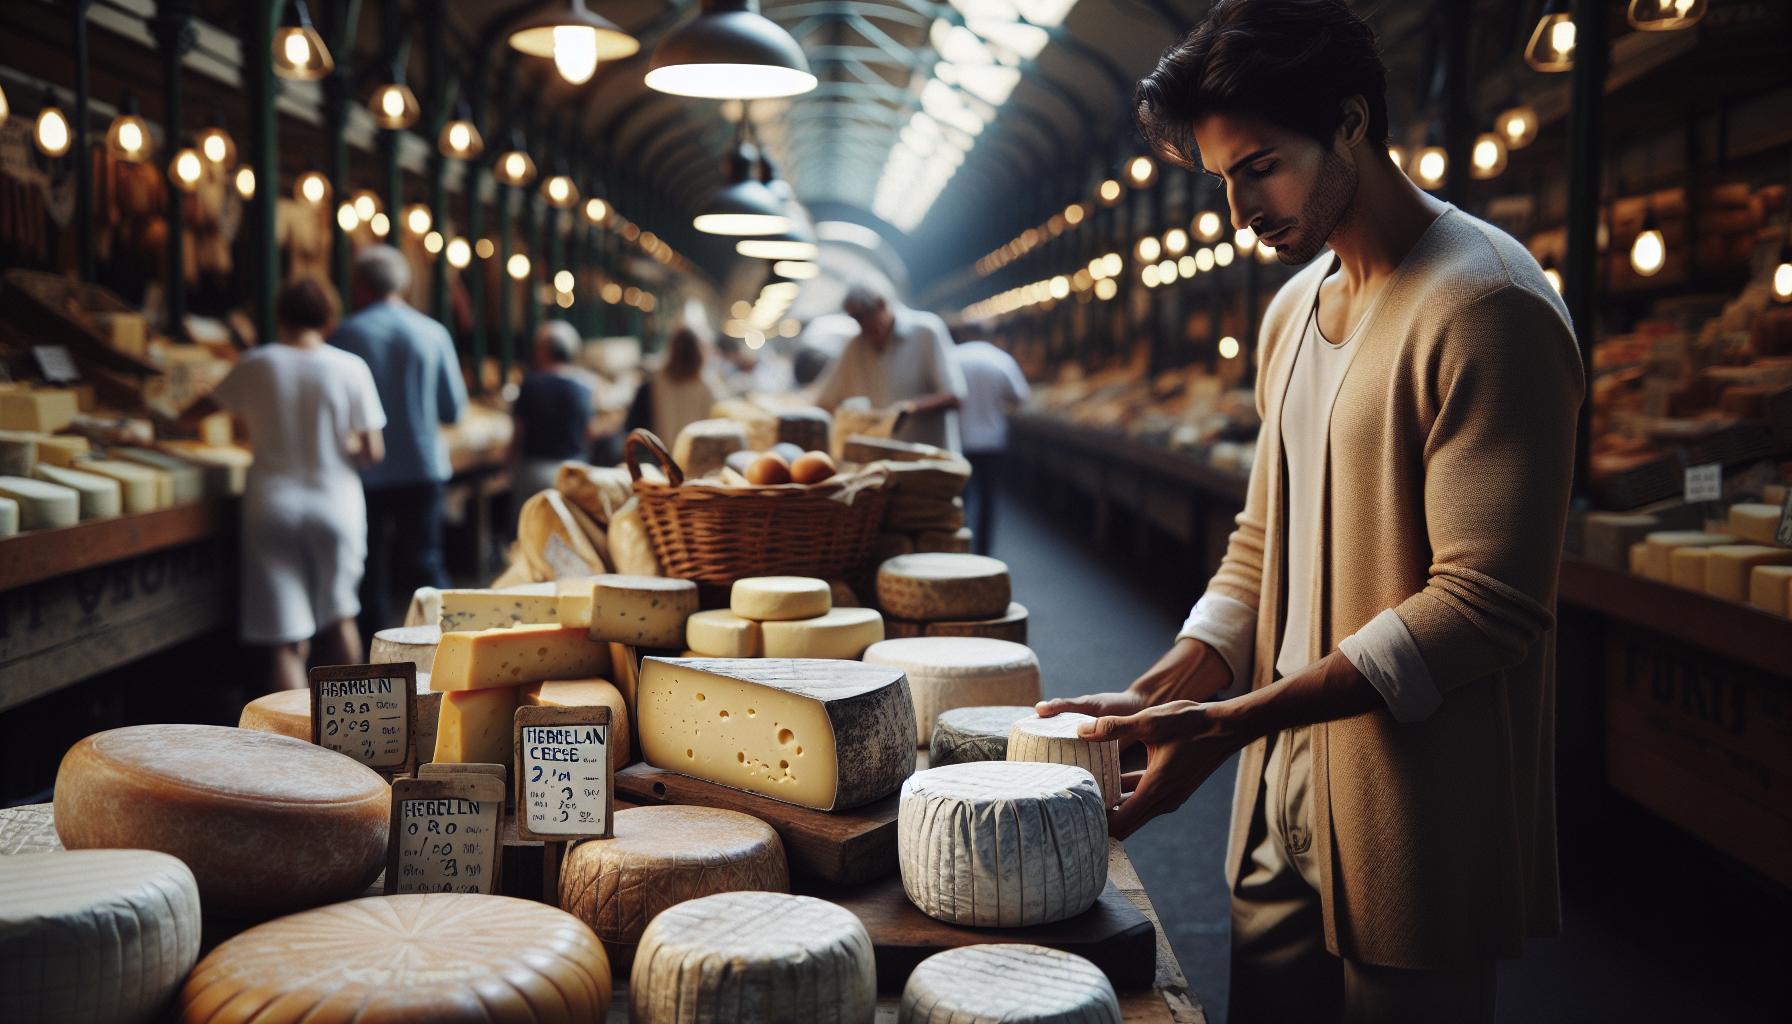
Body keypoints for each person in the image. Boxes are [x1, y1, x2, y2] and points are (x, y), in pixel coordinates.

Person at [1036, 2, 1584, 1020]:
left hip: (1408, 800)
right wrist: (1175, 681)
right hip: (1276, 794)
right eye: (1224, 179)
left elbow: (1485, 604)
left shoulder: (1485, 305)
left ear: (1349, 120)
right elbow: (1260, 546)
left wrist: (1232, 718)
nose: (1243, 207)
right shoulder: (1291, 309)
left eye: (1260, 166)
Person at [190, 277, 386, 691]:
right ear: (329, 317)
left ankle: (295, 742)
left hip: (271, 506)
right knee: (340, 621)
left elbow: (193, 413)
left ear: (280, 316)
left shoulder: (257, 362)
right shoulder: (351, 367)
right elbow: (373, 453)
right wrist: (342, 445)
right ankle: (349, 733)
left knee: (285, 640)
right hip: (336, 503)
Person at [330, 245, 467, 638]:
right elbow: (452, 410)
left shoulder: (345, 333)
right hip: (423, 467)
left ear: (360, 286)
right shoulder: (433, 332)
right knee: (426, 565)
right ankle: (449, 652)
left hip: (364, 472)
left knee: (368, 573)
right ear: (403, 283)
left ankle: (376, 665)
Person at [811, 283, 967, 451]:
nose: (863, 326)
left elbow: (954, 396)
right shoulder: (857, 344)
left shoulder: (926, 331)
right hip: (882, 464)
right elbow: (824, 401)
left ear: (881, 305)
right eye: (856, 319)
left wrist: (908, 408)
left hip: (932, 460)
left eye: (864, 317)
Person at [950, 321, 1030, 555]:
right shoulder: (1001, 360)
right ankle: (984, 552)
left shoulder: (953, 357)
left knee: (960, 500)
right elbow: (1021, 397)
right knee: (988, 500)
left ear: (966, 334)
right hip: (992, 441)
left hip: (960, 440)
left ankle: (958, 547)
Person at [512, 320, 597, 502]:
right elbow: (589, 433)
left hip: (535, 472)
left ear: (543, 350)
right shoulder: (583, 387)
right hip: (571, 472)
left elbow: (518, 433)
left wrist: (509, 467)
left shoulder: (530, 384)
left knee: (528, 526)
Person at [625, 324, 725, 446]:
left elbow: (633, 426)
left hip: (660, 457)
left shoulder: (652, 385)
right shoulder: (708, 386)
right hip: (697, 457)